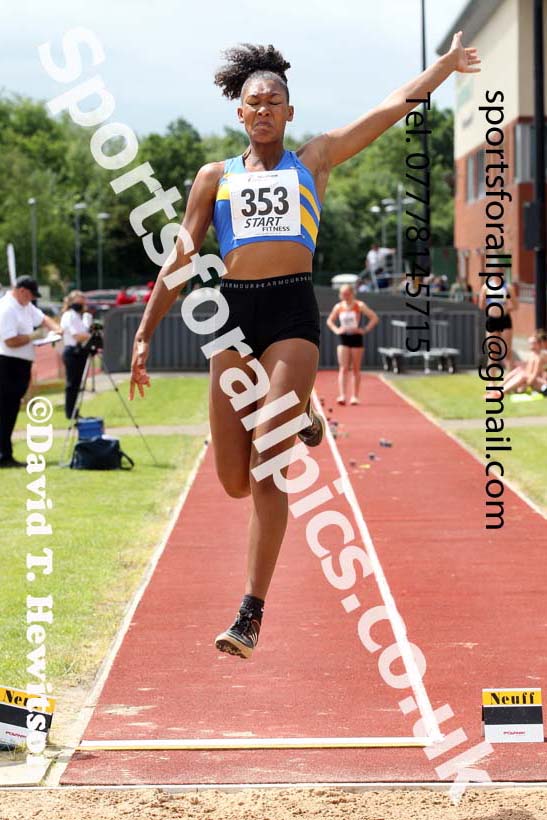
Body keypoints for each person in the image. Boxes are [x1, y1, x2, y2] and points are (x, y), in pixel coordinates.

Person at [129, 35, 480, 659]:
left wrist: (446, 67)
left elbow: (392, 106)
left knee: (269, 460)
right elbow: (180, 258)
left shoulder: (314, 160)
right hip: (233, 319)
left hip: (291, 311)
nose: (263, 109)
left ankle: (250, 612)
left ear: (289, 112)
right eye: (253, 102)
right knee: (233, 480)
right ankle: (306, 412)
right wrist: (143, 333)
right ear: (239, 112)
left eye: (274, 101)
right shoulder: (215, 177)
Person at [0, 276, 61, 467]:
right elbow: (10, 341)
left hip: (21, 363)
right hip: (8, 363)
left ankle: (5, 453)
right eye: (30, 295)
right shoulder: (7, 308)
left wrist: (57, 330)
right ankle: (3, 454)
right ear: (22, 291)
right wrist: (33, 336)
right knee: (5, 410)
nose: (32, 299)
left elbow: (43, 318)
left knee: (11, 409)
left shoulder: (25, 305)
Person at [326, 285, 379, 404]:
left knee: (356, 368)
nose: (345, 296)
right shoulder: (338, 306)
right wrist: (336, 330)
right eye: (342, 294)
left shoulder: (359, 305)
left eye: (347, 294)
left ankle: (355, 396)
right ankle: (342, 396)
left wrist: (364, 329)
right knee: (343, 368)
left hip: (356, 337)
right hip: (343, 338)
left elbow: (374, 318)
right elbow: (329, 321)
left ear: (352, 293)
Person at [60, 290, 91, 419]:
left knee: (78, 384)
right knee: (72, 383)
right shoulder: (68, 315)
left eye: (82, 301)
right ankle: (70, 412)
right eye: (78, 301)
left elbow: (85, 332)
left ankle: (74, 411)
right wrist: (90, 336)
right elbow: (77, 336)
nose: (81, 304)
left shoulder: (81, 316)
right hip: (72, 352)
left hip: (81, 352)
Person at [478, 278, 519, 371]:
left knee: (507, 352)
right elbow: (481, 305)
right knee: (493, 354)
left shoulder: (508, 287)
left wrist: (506, 309)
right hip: (492, 320)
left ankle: (510, 377)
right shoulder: (486, 287)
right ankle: (492, 379)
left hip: (504, 319)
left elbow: (516, 305)